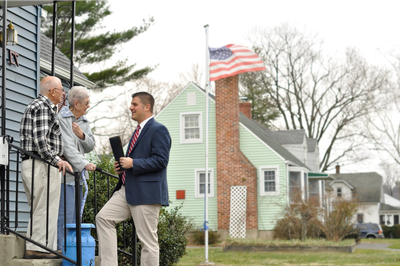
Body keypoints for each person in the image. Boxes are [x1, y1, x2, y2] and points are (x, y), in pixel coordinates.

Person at [96, 92, 171, 266]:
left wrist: (133, 163)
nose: (131, 107)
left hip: (147, 193)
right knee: (103, 218)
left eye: (135, 104)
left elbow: (161, 160)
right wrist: (122, 168)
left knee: (148, 241)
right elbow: (134, 162)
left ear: (147, 107)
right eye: (131, 104)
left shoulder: (158, 129)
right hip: (127, 189)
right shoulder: (137, 131)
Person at [20, 76, 73, 259]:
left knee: (43, 206)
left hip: (38, 163)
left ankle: (44, 247)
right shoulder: (43, 107)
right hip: (41, 164)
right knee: (44, 206)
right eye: (61, 90)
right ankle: (37, 248)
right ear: (52, 91)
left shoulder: (40, 106)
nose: (63, 94)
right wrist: (57, 160)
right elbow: (41, 140)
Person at [56, 86, 96, 251]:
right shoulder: (62, 118)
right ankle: (60, 248)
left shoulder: (85, 122)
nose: (88, 105)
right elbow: (67, 147)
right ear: (76, 103)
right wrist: (83, 164)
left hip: (79, 176)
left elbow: (91, 145)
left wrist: (82, 135)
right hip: (66, 174)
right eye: (86, 103)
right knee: (65, 215)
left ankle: (72, 249)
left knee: (75, 216)